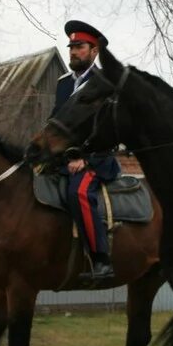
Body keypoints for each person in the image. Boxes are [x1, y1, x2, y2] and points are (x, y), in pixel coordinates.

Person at [51, 20, 121, 281]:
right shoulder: (63, 83)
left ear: (95, 51)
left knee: (78, 192)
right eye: (71, 47)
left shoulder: (105, 82)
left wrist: (83, 156)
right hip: (65, 157)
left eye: (80, 47)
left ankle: (101, 259)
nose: (73, 52)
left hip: (97, 159)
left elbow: (106, 128)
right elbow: (56, 121)